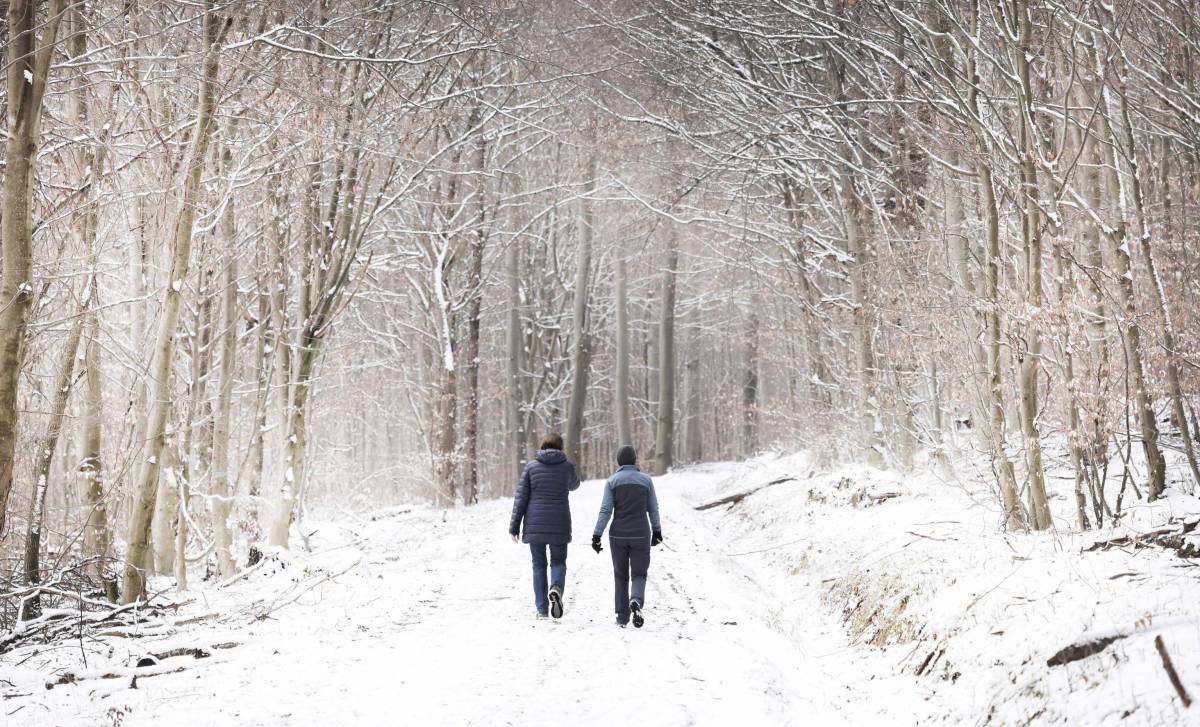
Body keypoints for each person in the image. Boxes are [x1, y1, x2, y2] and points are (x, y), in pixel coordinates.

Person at [509, 432, 580, 619]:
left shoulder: (531, 468)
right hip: (559, 522)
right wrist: (569, 469)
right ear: (560, 447)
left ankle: (542, 609)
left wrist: (514, 527)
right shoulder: (566, 467)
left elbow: (520, 498)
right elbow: (575, 485)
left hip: (535, 523)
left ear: (542, 446)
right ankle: (556, 587)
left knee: (538, 565)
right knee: (558, 561)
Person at [591, 445, 663, 628]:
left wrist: (597, 534)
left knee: (620, 575)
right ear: (634, 460)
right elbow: (653, 508)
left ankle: (622, 617)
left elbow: (606, 510)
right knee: (639, 574)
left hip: (618, 536)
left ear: (619, 462)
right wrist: (657, 531)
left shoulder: (612, 482)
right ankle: (636, 600)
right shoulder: (646, 481)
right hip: (641, 534)